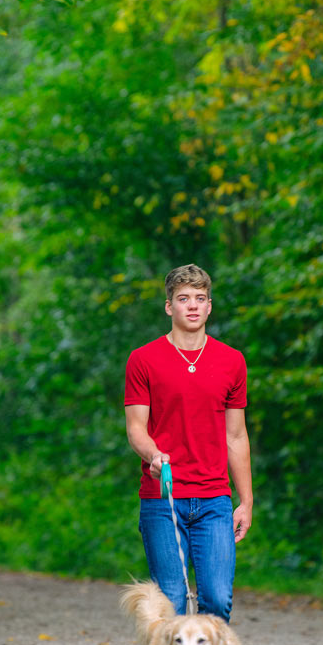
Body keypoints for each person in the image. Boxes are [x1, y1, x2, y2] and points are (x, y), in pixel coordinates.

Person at [124, 264, 252, 622]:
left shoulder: (232, 361)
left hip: (214, 499)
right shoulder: (143, 360)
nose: (192, 306)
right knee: (172, 602)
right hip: (162, 498)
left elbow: (236, 436)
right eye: (183, 299)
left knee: (218, 599)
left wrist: (247, 501)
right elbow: (136, 428)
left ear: (210, 306)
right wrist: (152, 455)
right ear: (169, 307)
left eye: (199, 298)